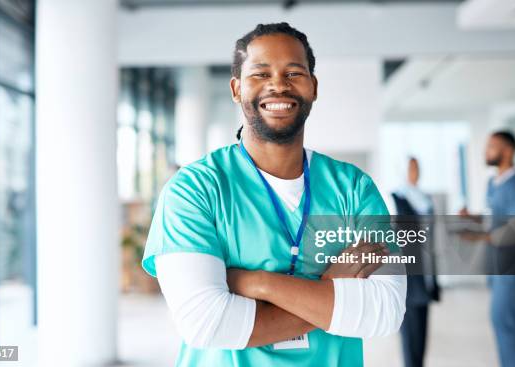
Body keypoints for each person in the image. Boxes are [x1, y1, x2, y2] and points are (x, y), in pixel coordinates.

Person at [142, 22, 406, 367]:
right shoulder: (195, 190)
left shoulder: (354, 188)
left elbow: (384, 312)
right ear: (237, 89)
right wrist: (330, 287)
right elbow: (206, 322)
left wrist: (257, 283)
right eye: (260, 73)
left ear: (313, 87)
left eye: (294, 73)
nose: (278, 85)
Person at [460, 131, 515, 367]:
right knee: (508, 321)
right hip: (499, 263)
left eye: (492, 147)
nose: (486, 151)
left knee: (503, 319)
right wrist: (473, 218)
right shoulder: (494, 183)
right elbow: (495, 218)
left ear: (508, 151)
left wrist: (482, 237)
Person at [392, 158, 440, 367]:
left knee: (422, 335)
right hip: (408, 279)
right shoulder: (395, 199)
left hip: (426, 276)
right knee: (410, 337)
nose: (415, 171)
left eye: (417, 166)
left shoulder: (425, 200)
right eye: (411, 167)